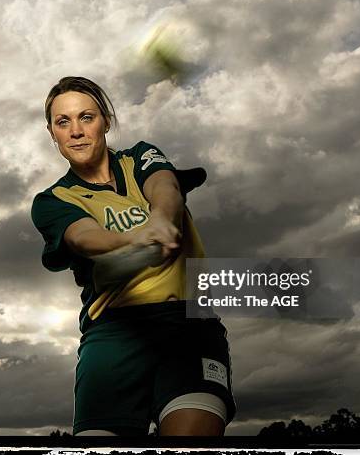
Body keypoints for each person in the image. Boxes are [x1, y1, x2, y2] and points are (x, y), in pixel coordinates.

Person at [31, 76, 236, 436]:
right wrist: (131, 239)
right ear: (52, 132)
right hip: (112, 331)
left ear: (106, 121)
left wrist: (161, 218)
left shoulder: (140, 156)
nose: (76, 131)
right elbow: (84, 236)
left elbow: (165, 186)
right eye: (63, 122)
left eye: (87, 117)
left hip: (188, 323)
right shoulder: (52, 200)